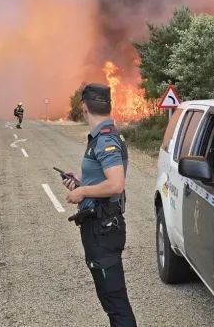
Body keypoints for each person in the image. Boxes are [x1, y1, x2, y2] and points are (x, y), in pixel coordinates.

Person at [62, 83, 137, 327]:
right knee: (109, 299)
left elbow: (116, 184)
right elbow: (105, 180)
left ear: (84, 106)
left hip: (102, 228)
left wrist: (83, 191)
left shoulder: (104, 140)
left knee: (115, 304)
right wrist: (82, 183)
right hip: (99, 225)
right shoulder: (103, 137)